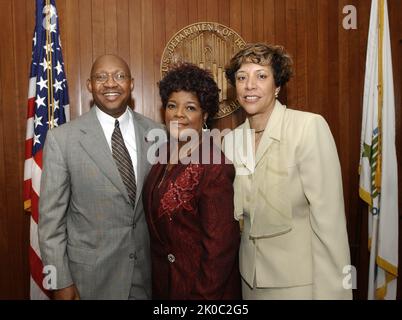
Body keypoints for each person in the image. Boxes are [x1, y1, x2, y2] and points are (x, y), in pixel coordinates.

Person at [223, 43, 352, 299]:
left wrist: (333, 293)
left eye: (261, 76)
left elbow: (330, 222)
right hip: (248, 283)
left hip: (299, 286)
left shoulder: (308, 128)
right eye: (241, 77)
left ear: (278, 85)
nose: (250, 85)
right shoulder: (230, 141)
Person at [38, 54, 162, 299]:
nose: (110, 83)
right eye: (101, 77)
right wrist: (59, 282)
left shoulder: (158, 134)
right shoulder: (62, 140)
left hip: (148, 279)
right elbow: (50, 222)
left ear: (131, 83)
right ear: (89, 85)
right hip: (89, 282)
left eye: (119, 76)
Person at [143, 63, 241, 300]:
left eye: (190, 108)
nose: (179, 114)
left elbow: (220, 251)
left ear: (204, 114)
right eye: (172, 106)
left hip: (202, 292)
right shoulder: (161, 156)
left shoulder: (215, 166)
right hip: (165, 288)